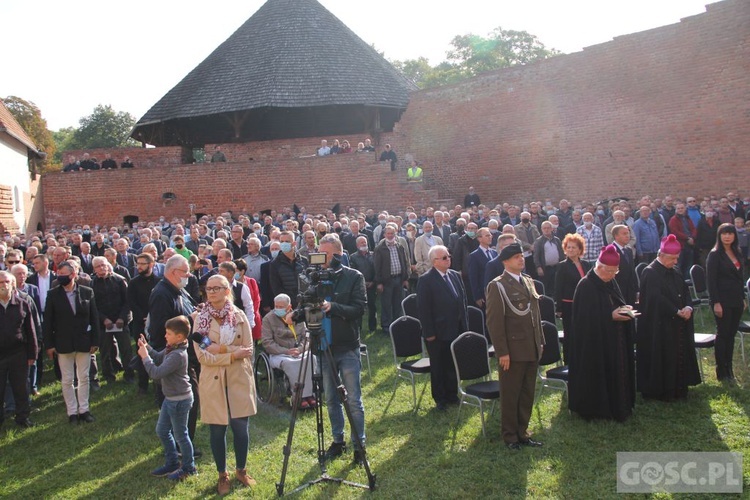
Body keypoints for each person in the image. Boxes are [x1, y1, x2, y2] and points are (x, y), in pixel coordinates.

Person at [293, 234, 367, 465]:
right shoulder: (310, 277)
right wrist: (295, 313)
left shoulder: (353, 276)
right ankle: (338, 440)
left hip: (346, 345)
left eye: (323, 254)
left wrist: (332, 306)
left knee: (353, 399)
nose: (319, 258)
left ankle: (359, 444)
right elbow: (303, 303)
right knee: (331, 398)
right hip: (322, 346)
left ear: (337, 254)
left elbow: (359, 309)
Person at [194, 274, 256, 494]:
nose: (211, 292)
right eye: (208, 289)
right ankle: (222, 474)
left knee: (241, 427)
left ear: (227, 290)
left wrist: (219, 348)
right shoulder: (200, 319)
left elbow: (248, 350)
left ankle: (241, 469)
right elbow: (203, 357)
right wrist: (231, 353)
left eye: (216, 288)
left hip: (239, 377)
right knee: (217, 429)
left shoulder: (239, 316)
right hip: (213, 380)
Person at [485, 243, 544, 450]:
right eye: (517, 257)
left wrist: (540, 342)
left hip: (531, 346)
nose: (521, 259)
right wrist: (502, 352)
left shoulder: (528, 281)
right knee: (511, 394)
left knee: (527, 392)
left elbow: (535, 316)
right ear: (505, 262)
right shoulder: (498, 285)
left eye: (522, 256)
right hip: (512, 350)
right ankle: (510, 435)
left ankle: (523, 432)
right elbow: (494, 322)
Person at [568, 245, 637, 422]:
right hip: (595, 345)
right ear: (600, 268)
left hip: (615, 339)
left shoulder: (610, 281)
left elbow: (615, 301)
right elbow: (583, 320)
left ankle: (620, 404)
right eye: (611, 271)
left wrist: (624, 309)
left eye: (616, 271)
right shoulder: (586, 286)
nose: (614, 275)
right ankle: (598, 410)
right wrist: (609, 316)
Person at [636, 234, 701, 401]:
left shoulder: (675, 270)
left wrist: (687, 307)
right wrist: (675, 311)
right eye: (672, 258)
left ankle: (679, 388)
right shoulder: (650, 272)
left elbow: (686, 292)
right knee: (663, 357)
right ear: (661, 256)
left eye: (677, 258)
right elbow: (655, 298)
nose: (675, 262)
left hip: (678, 321)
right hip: (660, 324)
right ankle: (663, 391)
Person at [138, 315, 196, 480]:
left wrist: (144, 357)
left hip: (179, 401)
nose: (165, 336)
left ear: (179, 337)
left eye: (168, 333)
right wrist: (147, 348)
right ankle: (172, 462)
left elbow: (156, 373)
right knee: (162, 430)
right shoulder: (171, 348)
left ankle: (188, 467)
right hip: (170, 399)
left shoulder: (177, 355)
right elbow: (158, 357)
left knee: (181, 435)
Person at [43, 262, 100, 424]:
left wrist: (95, 340)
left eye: (63, 274)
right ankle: (72, 412)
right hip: (63, 343)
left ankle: (84, 409)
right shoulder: (53, 294)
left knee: (84, 377)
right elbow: (48, 322)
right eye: (58, 273)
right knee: (67, 379)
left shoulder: (87, 292)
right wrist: (50, 345)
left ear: (73, 274)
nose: (60, 276)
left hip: (84, 342)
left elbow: (93, 318)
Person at [417, 245, 468, 410]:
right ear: (434, 261)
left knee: (452, 363)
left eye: (448, 256)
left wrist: (465, 326)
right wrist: (429, 332)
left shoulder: (454, 275)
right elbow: (424, 309)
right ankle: (440, 398)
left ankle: (452, 394)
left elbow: (463, 302)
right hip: (438, 331)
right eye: (444, 258)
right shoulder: (426, 280)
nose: (448, 260)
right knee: (439, 365)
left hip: (456, 327)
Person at [706, 223, 747, 384]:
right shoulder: (715, 254)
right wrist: (715, 302)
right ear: (719, 236)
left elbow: (739, 278)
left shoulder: (737, 252)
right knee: (723, 334)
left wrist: (743, 298)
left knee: (731, 335)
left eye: (730, 233)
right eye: (724, 234)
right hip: (722, 300)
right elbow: (711, 281)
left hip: (736, 299)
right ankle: (721, 371)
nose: (727, 236)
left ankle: (729, 368)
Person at [261, 293, 316, 408]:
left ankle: (310, 394)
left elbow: (306, 337)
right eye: (276, 306)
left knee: (311, 358)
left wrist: (300, 349)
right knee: (291, 363)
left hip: (298, 351)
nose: (278, 309)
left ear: (289, 307)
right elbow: (267, 343)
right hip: (279, 353)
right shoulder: (268, 319)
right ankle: (298, 396)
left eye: (281, 307)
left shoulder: (298, 317)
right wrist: (286, 351)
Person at [0, 271, 38, 429]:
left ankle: (23, 417)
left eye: (6, 282)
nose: (3, 285)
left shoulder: (23, 303)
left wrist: (32, 353)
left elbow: (30, 330)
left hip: (18, 353)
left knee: (21, 387)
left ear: (13, 284)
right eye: (0, 283)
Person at [374, 224, 409, 331]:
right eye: (388, 233)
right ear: (384, 234)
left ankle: (397, 325)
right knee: (386, 304)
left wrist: (405, 278)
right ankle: (386, 326)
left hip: (399, 279)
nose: (390, 235)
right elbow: (377, 266)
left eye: (392, 233)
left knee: (398, 303)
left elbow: (405, 262)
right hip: (386, 281)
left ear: (395, 233)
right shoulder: (380, 248)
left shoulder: (400, 246)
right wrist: (379, 282)